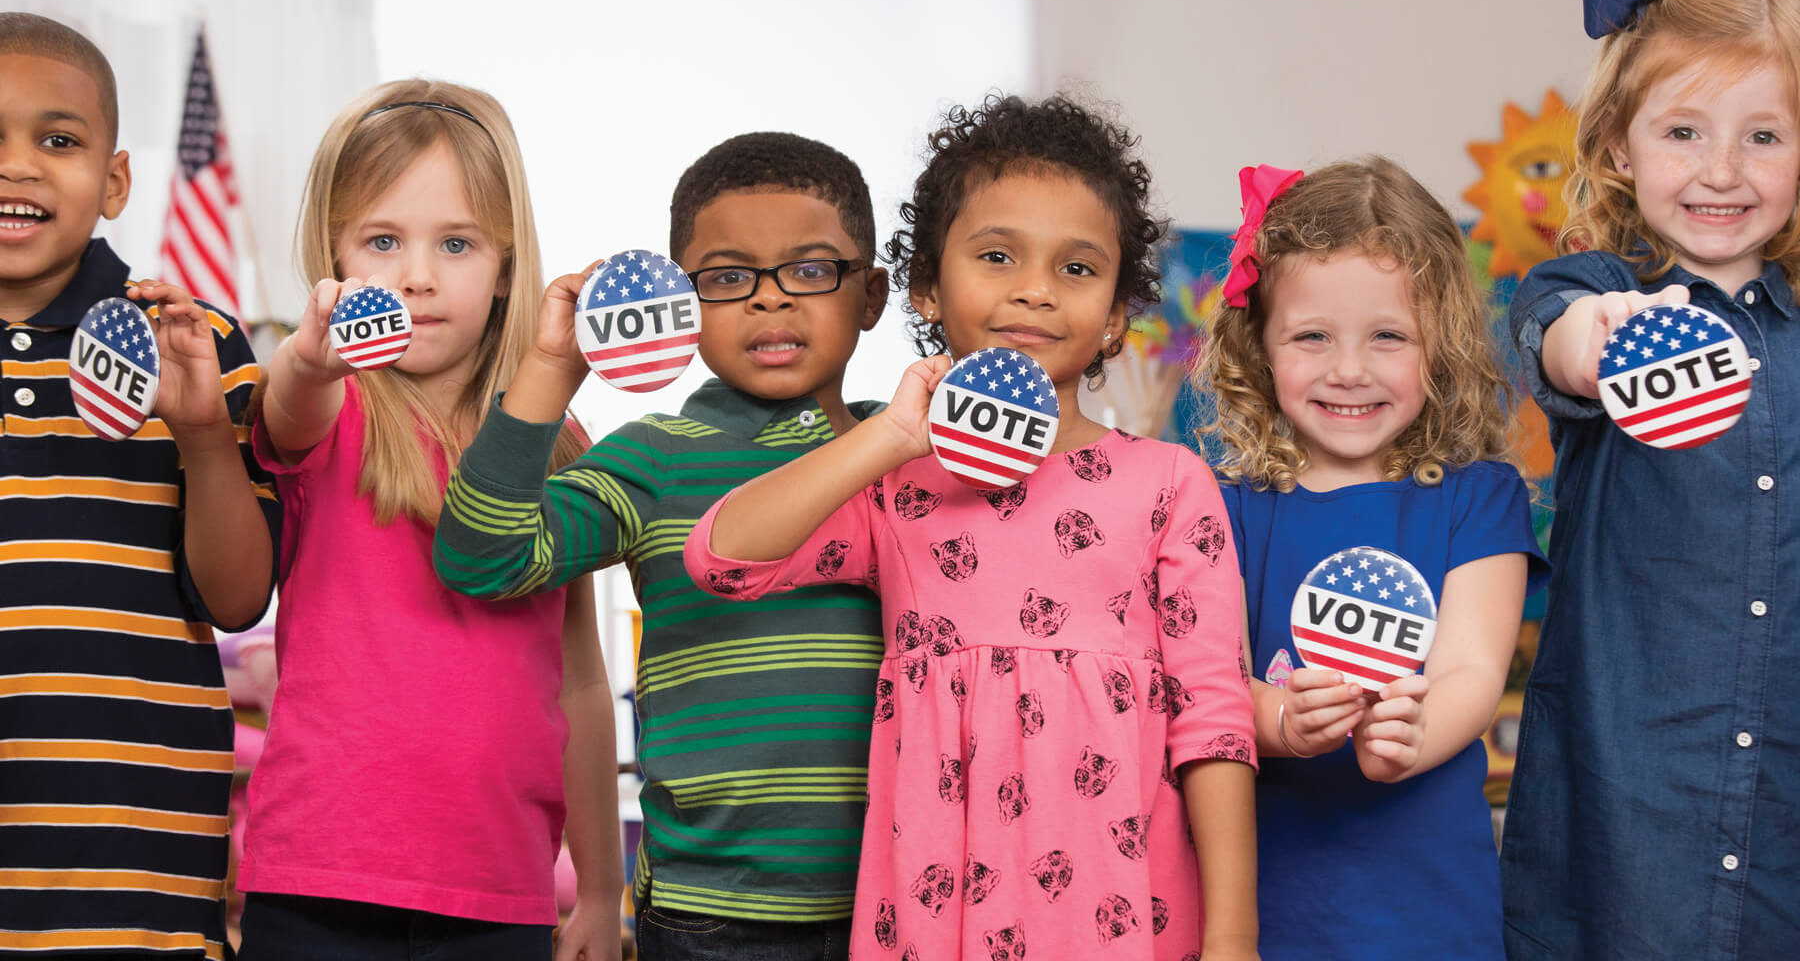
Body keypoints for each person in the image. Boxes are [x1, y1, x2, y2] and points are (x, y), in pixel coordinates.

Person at [684, 94, 1259, 960]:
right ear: (926, 286)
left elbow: (1214, 720)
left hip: (1124, 908)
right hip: (936, 905)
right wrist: (888, 437)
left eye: (1076, 269)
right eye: (997, 256)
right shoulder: (897, 484)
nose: (1033, 287)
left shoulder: (1169, 484)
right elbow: (723, 556)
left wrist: (1235, 935)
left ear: (1113, 315)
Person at [434, 131, 889, 960]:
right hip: (710, 913)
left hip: (902, 900)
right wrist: (550, 365)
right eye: (727, 278)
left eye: (811, 270)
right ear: (682, 301)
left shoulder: (909, 456)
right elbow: (482, 558)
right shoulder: (658, 456)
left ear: (873, 296)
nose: (769, 300)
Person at [238, 81, 620, 960]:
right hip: (317, 879)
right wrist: (307, 357)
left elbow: (580, 681)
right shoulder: (333, 404)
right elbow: (288, 407)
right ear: (333, 258)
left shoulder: (560, 440)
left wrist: (599, 889)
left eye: (456, 242)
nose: (417, 274)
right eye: (382, 241)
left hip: (500, 889)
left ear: (506, 263)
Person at [1501, 0, 1800, 959]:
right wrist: (1605, 341)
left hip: (1780, 800)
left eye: (1765, 135)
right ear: (1621, 144)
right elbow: (1561, 348)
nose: (1724, 169)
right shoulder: (1593, 292)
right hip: (1630, 797)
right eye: (1685, 132)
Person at [1196, 157, 1545, 960]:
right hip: (1264, 910)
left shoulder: (1478, 498)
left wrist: (1413, 741)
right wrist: (1280, 719)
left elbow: (1471, 670)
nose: (1348, 369)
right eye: (1312, 336)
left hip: (1429, 916)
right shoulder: (1223, 505)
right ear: (1260, 342)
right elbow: (1204, 685)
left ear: (1441, 342)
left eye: (1388, 336)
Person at [0, 11, 278, 959]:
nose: (18, 165)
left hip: (136, 879)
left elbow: (239, 600)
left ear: (115, 181)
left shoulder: (196, 348)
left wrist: (200, 432)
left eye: (58, 139)